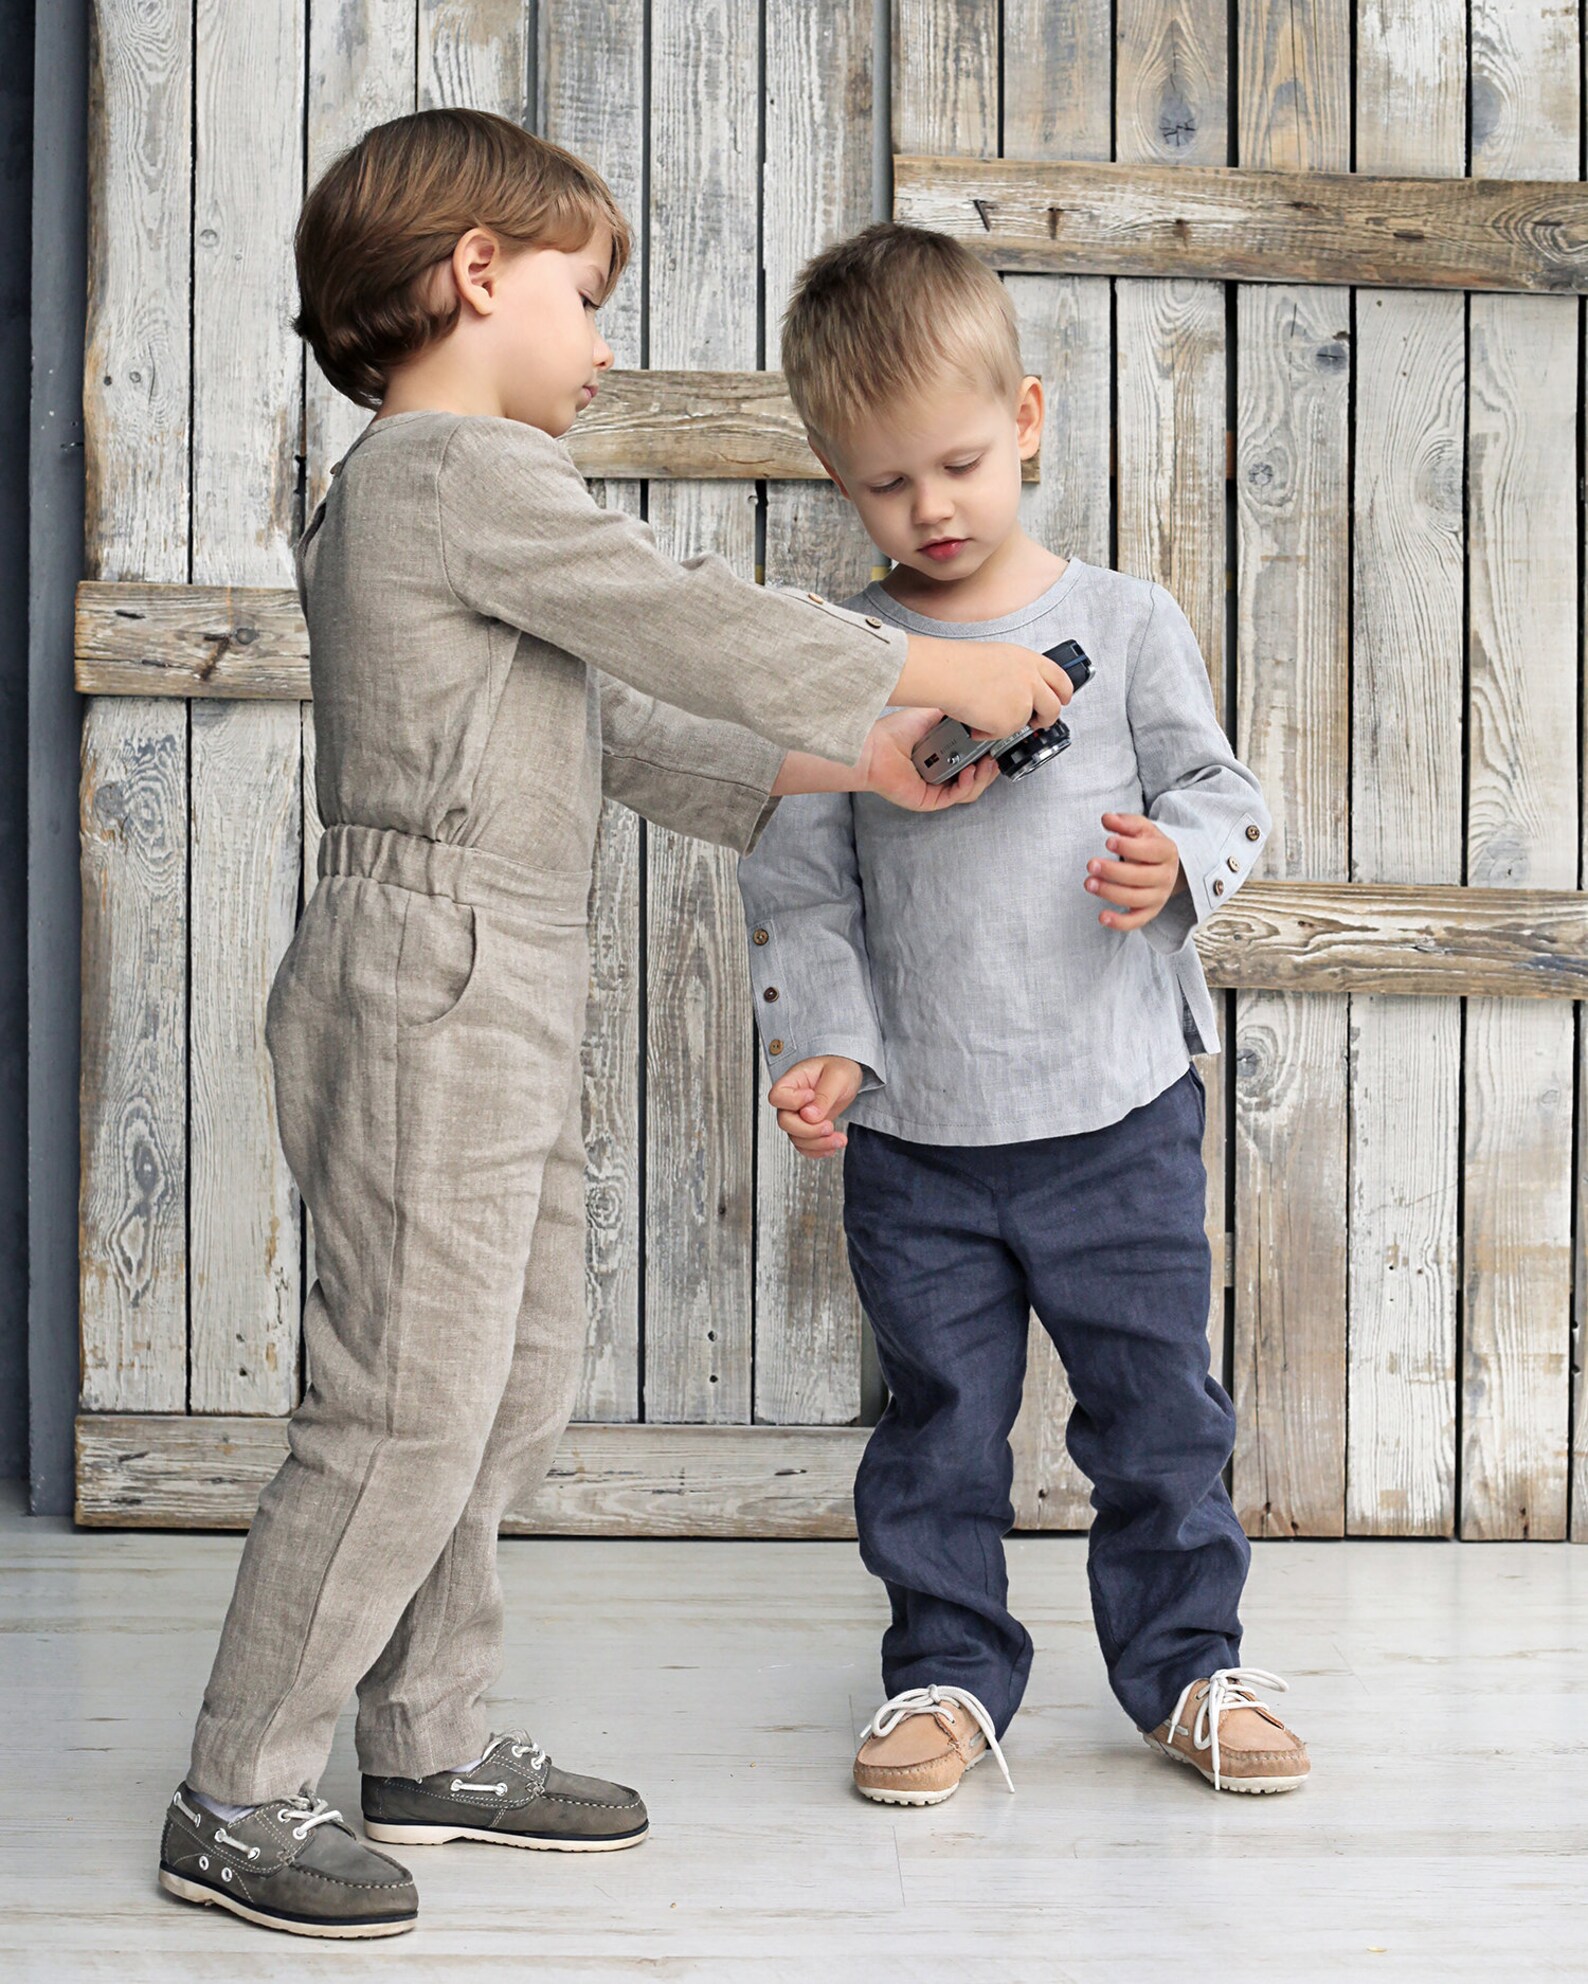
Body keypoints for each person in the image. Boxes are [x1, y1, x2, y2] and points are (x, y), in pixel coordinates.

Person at [157, 115, 1076, 1941]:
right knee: (403, 1401)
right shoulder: (447, 471)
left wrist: (867, 759)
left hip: (497, 974)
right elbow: (676, 616)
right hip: (426, 970)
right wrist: (931, 663)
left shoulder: (472, 507)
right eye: (583, 299)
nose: (599, 344)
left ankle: (424, 1738)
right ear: (475, 273)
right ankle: (237, 1792)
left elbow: (623, 724)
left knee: (502, 1388)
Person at [739, 222, 1309, 1810]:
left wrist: (1174, 864)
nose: (930, 507)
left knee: (1157, 1412)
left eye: (961, 464)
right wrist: (827, 1041)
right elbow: (803, 883)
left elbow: (1223, 793)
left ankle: (1188, 1665)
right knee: (937, 1427)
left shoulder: (1124, 624)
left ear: (1030, 421)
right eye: (885, 483)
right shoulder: (843, 661)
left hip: (1116, 1111)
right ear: (834, 476)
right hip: (920, 1134)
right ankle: (943, 1671)